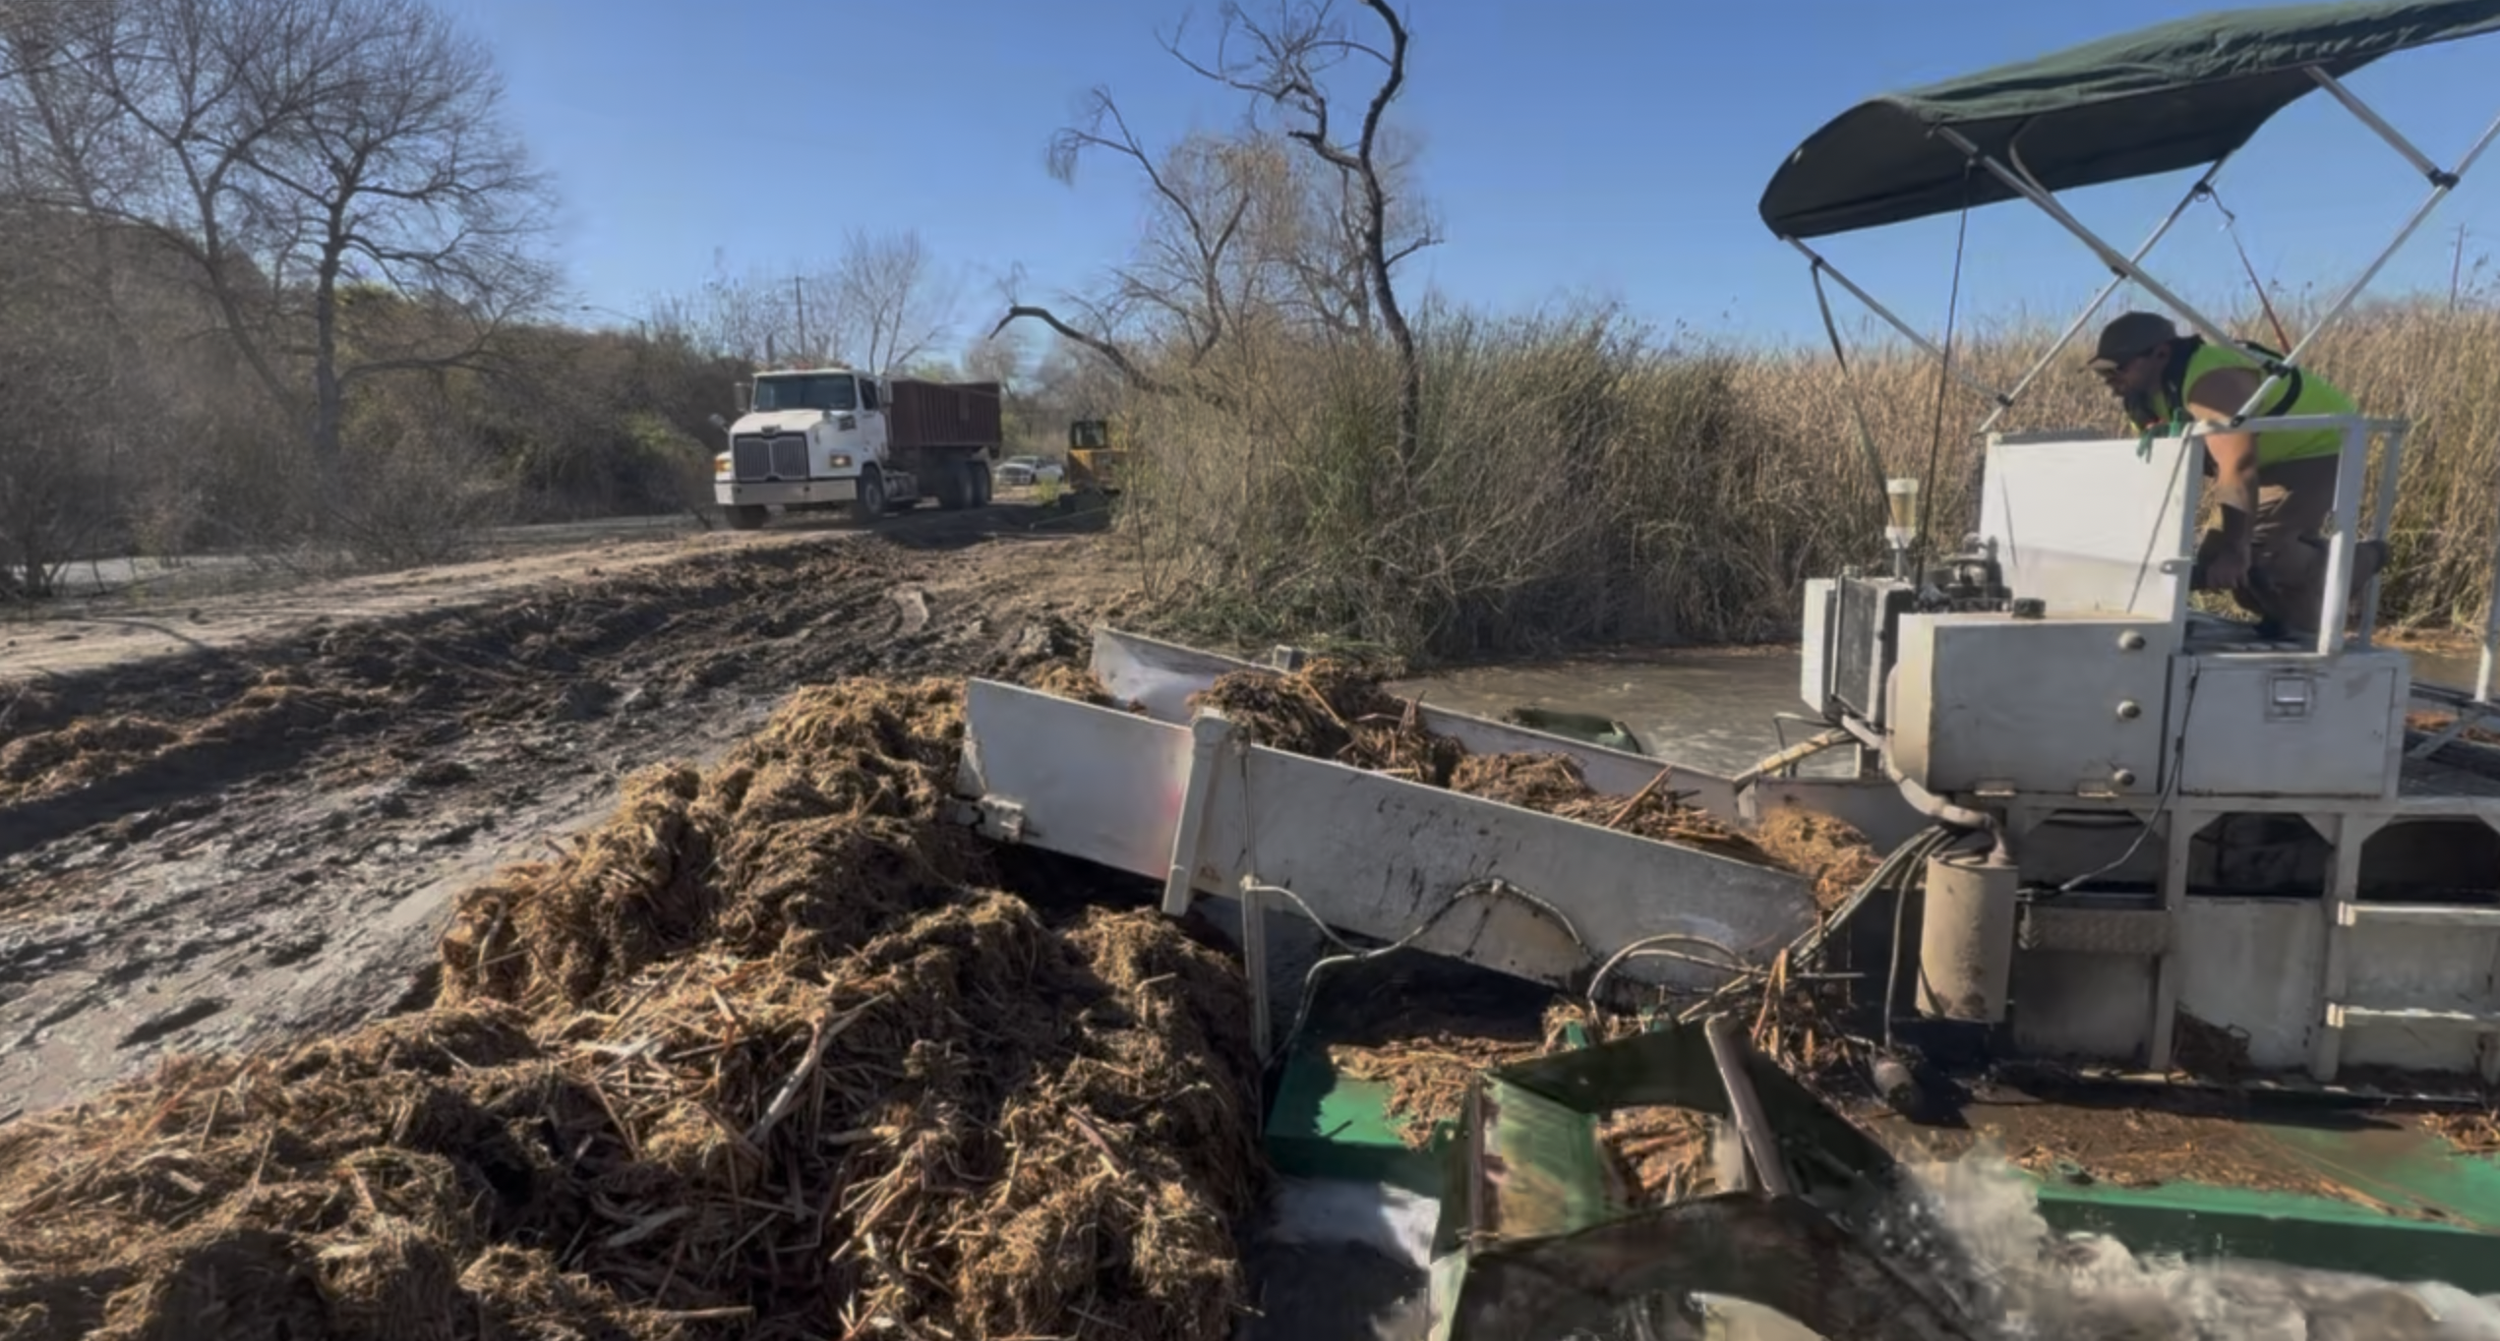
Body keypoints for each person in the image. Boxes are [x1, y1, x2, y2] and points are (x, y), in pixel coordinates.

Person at [2088, 310, 2383, 638]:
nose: (2110, 379)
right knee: (2228, 576)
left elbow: (2238, 465)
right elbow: (2167, 471)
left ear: (2161, 353)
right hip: (2260, 459)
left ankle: (2357, 560)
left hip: (2315, 444)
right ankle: (2305, 623)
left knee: (2253, 553)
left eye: (2118, 367)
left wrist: (2235, 549)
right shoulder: (2142, 399)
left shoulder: (2211, 382)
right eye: (2102, 372)